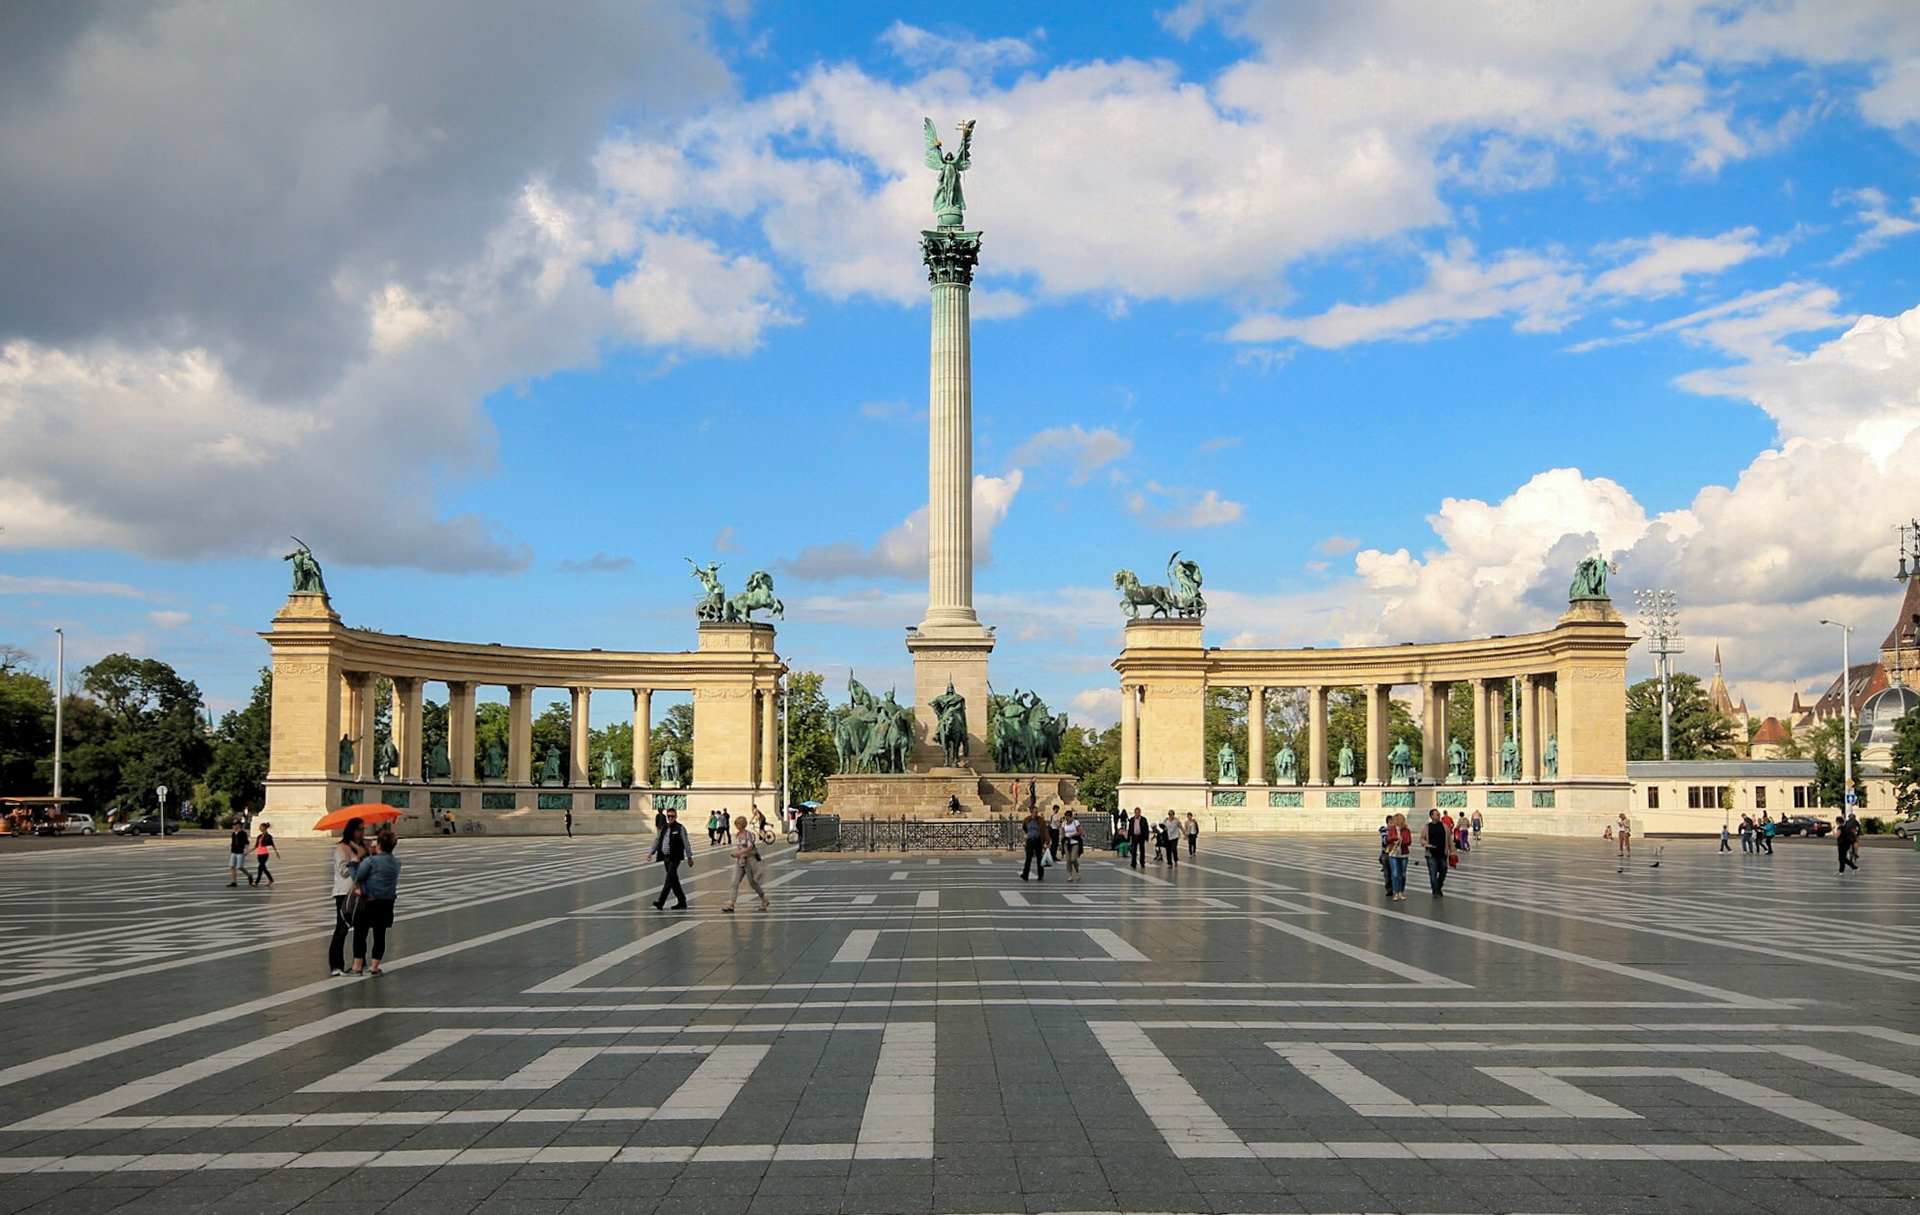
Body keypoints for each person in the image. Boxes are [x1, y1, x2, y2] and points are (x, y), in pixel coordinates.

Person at [349, 829, 401, 977]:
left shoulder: (371, 861)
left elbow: (358, 877)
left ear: (379, 844)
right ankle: (374, 967)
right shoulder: (396, 863)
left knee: (360, 934)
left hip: (369, 901)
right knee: (380, 935)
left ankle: (357, 966)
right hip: (386, 903)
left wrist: (354, 864)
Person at [327, 818, 368, 977]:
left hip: (361, 892)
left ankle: (359, 962)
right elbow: (343, 871)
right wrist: (357, 858)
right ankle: (336, 965)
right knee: (342, 929)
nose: (362, 832)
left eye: (363, 829)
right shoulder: (342, 848)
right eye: (359, 829)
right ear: (351, 830)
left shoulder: (361, 847)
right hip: (344, 892)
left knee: (361, 929)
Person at [722, 814, 770, 912]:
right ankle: (731, 903)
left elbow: (750, 847)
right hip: (740, 860)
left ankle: (763, 898)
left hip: (748, 860)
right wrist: (738, 855)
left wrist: (739, 853)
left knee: (752, 882)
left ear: (742, 824)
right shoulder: (737, 835)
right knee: (734, 882)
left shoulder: (748, 834)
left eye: (738, 824)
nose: (737, 826)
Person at [650, 808, 693, 908]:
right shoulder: (664, 827)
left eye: (672, 816)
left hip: (675, 857)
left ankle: (661, 902)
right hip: (666, 857)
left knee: (669, 880)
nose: (670, 818)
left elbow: (686, 842)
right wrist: (651, 852)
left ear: (676, 816)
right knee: (674, 880)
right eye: (669, 816)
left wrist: (689, 857)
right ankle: (682, 901)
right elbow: (658, 840)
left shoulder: (680, 828)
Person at [1385, 813, 1412, 901]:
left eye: (1395, 819)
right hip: (1393, 853)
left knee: (1403, 874)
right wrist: (1396, 838)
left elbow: (1409, 841)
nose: (1394, 821)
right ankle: (1396, 892)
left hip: (1403, 854)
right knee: (1395, 874)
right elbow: (1388, 839)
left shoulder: (1406, 830)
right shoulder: (1392, 829)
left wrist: (1402, 841)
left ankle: (1401, 891)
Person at [1425, 809, 1452, 896]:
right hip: (1431, 854)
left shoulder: (1444, 826)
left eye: (1439, 814)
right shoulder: (1427, 827)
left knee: (1444, 870)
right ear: (1432, 816)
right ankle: (1435, 890)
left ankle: (1438, 886)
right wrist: (1425, 843)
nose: (1438, 816)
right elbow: (1422, 838)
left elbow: (1449, 840)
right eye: (1436, 814)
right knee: (1433, 872)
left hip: (1442, 853)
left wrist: (1453, 851)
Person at [1020, 806, 1048, 881]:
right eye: (1035, 812)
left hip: (1038, 840)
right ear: (1031, 812)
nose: (1036, 813)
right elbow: (1024, 827)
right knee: (1028, 858)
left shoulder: (1041, 820)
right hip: (1030, 840)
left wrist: (1046, 840)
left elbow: (1044, 830)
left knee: (1039, 858)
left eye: (1037, 812)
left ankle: (1040, 875)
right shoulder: (1027, 820)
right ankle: (1025, 875)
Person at [253, 822, 279, 886]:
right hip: (259, 854)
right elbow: (256, 846)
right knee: (263, 868)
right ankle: (271, 880)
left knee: (260, 868)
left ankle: (256, 882)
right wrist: (248, 852)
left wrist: (276, 852)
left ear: (264, 828)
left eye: (261, 827)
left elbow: (272, 844)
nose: (259, 828)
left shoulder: (268, 836)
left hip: (264, 854)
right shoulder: (259, 836)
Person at [1061, 809, 1083, 881]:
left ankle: (1077, 871)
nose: (1066, 819)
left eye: (1068, 817)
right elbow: (1063, 833)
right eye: (1065, 817)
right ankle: (1070, 875)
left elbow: (1080, 832)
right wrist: (1062, 840)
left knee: (1073, 859)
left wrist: (1073, 834)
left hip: (1074, 842)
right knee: (1068, 860)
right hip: (1067, 843)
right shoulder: (1064, 823)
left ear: (1071, 817)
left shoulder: (1075, 822)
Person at [227, 820, 251, 887]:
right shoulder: (233, 834)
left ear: (238, 825)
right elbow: (233, 843)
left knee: (239, 866)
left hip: (240, 852)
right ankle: (234, 881)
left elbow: (246, 842)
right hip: (234, 852)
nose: (234, 827)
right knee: (232, 866)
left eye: (235, 825)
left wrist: (246, 850)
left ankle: (249, 875)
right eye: (233, 825)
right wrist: (231, 851)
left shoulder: (243, 833)